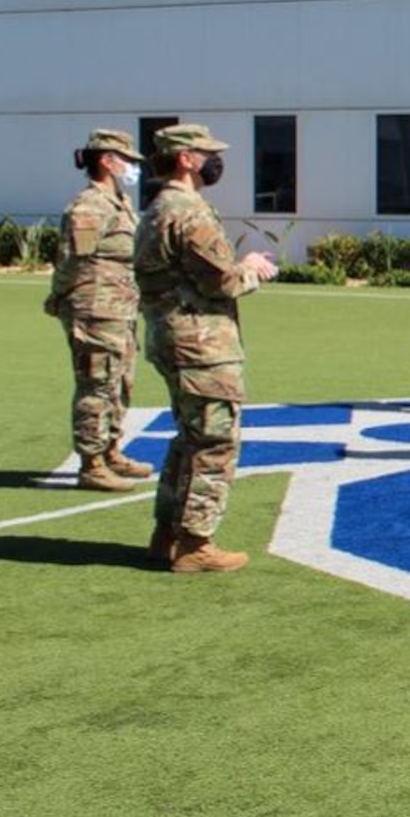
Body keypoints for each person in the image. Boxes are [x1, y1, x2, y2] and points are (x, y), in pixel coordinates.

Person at [133, 125, 278, 572]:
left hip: (171, 337)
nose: (215, 160)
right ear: (185, 159)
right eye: (206, 153)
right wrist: (251, 268)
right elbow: (223, 281)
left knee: (188, 438)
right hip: (201, 343)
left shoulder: (156, 208)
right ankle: (196, 542)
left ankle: (168, 534)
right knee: (214, 438)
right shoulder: (189, 211)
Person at [44, 130, 155, 492]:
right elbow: (72, 261)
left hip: (118, 309)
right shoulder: (90, 206)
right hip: (94, 308)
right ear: (106, 160)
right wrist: (58, 296)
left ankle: (110, 451)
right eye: (126, 159)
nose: (131, 167)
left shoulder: (118, 200)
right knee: (96, 384)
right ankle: (92, 464)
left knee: (120, 381)